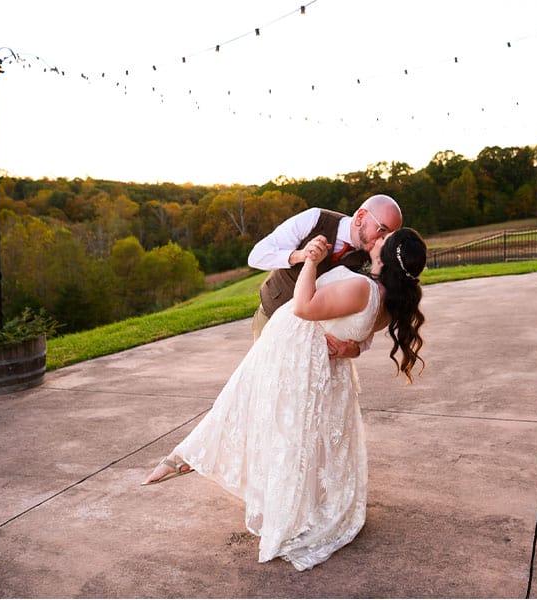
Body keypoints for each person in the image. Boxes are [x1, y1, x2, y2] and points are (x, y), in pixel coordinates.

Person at [142, 227, 427, 571]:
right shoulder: (389, 299)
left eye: (385, 238)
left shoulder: (363, 287)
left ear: (388, 253)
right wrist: (354, 349)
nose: (379, 238)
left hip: (300, 364)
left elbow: (304, 307)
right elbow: (354, 333)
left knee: (277, 430)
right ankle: (188, 459)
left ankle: (268, 502)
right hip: (319, 369)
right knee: (304, 440)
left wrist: (311, 260)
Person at [247, 194, 402, 358]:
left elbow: (373, 309)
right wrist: (301, 255)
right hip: (271, 317)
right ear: (361, 216)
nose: (383, 242)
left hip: (316, 340)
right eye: (382, 230)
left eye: (390, 237)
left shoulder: (377, 257)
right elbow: (256, 256)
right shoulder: (314, 218)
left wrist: (357, 349)